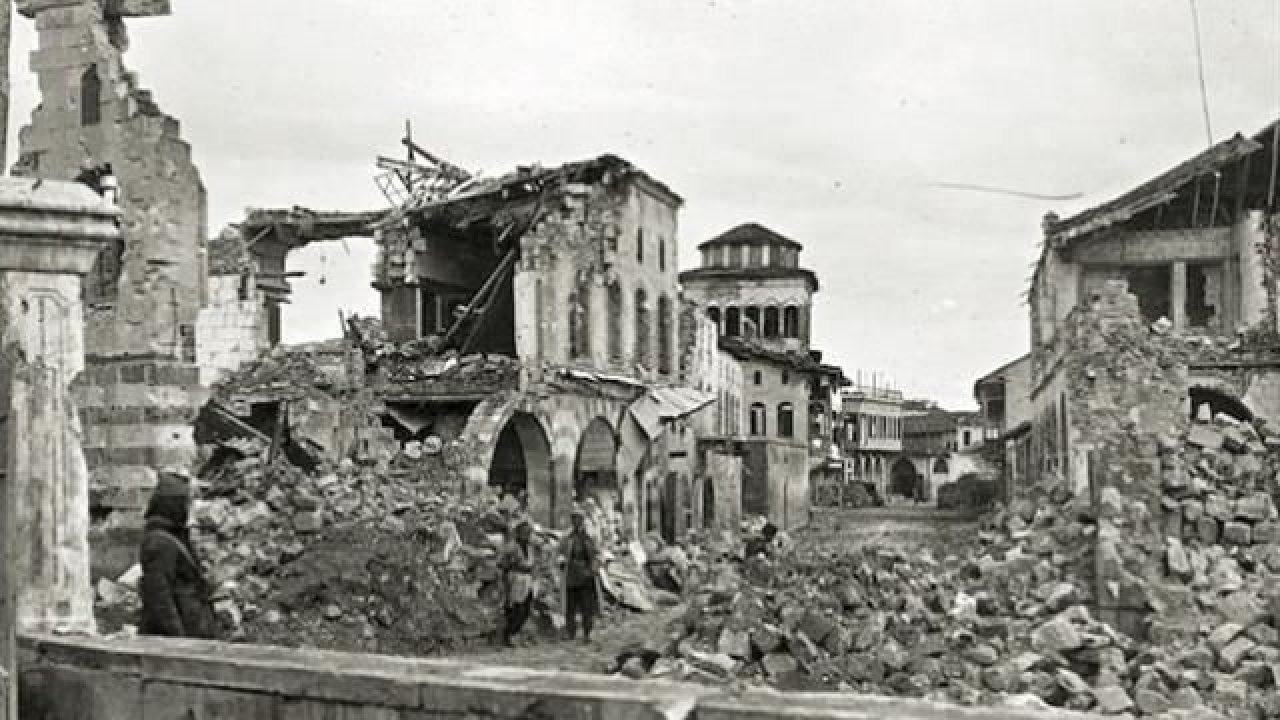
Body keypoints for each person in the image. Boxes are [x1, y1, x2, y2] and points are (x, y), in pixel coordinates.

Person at [138, 470, 218, 639]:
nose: (193, 508)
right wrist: (179, 641)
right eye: (189, 502)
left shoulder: (175, 536)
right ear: (174, 505)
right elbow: (160, 600)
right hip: (180, 643)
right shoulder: (159, 544)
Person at [560, 509, 600, 643]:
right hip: (571, 574)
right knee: (570, 605)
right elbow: (560, 553)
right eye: (574, 518)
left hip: (586, 575)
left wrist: (593, 569)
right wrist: (561, 561)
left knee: (587, 606)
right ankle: (570, 631)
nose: (576, 521)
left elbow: (596, 554)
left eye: (579, 518)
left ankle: (587, 633)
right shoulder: (567, 537)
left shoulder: (590, 536)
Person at [497, 518, 537, 647]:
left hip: (527, 578)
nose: (527, 535)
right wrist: (510, 566)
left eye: (528, 532)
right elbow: (501, 562)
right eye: (524, 532)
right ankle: (509, 635)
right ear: (518, 532)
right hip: (515, 577)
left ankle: (515, 634)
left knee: (526, 608)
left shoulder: (530, 547)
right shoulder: (512, 546)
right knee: (516, 608)